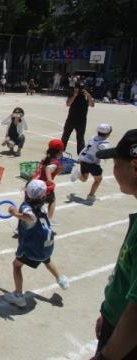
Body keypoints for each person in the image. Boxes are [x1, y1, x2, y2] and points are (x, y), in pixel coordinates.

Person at [88, 129, 137, 360]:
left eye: (117, 163)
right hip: (114, 321)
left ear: (135, 166)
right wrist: (108, 312)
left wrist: (105, 357)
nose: (114, 170)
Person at [4, 180, 69, 308]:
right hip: (47, 245)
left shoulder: (26, 207)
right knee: (46, 259)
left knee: (16, 265)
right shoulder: (43, 207)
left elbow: (30, 217)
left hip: (32, 248)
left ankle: (18, 296)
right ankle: (61, 279)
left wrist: (15, 213)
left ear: (27, 192)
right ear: (43, 196)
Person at [70, 123, 112, 204]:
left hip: (83, 159)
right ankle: (91, 196)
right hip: (92, 163)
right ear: (108, 133)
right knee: (98, 180)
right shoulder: (104, 143)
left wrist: (79, 158)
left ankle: (78, 174)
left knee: (84, 178)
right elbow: (104, 153)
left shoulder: (93, 138)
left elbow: (86, 148)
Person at [35, 139, 64, 225]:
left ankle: (21, 227)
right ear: (59, 153)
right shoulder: (55, 163)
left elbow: (44, 168)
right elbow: (48, 168)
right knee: (52, 201)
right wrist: (49, 179)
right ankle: (49, 219)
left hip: (35, 183)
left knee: (33, 205)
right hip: (44, 187)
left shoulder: (46, 159)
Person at [61, 81, 95, 155]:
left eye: (82, 88)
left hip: (81, 122)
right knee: (65, 137)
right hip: (70, 120)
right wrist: (75, 95)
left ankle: (80, 155)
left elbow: (92, 105)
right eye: (78, 88)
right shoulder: (72, 94)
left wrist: (88, 96)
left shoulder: (86, 95)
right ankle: (60, 153)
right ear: (75, 88)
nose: (80, 90)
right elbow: (68, 104)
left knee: (80, 140)